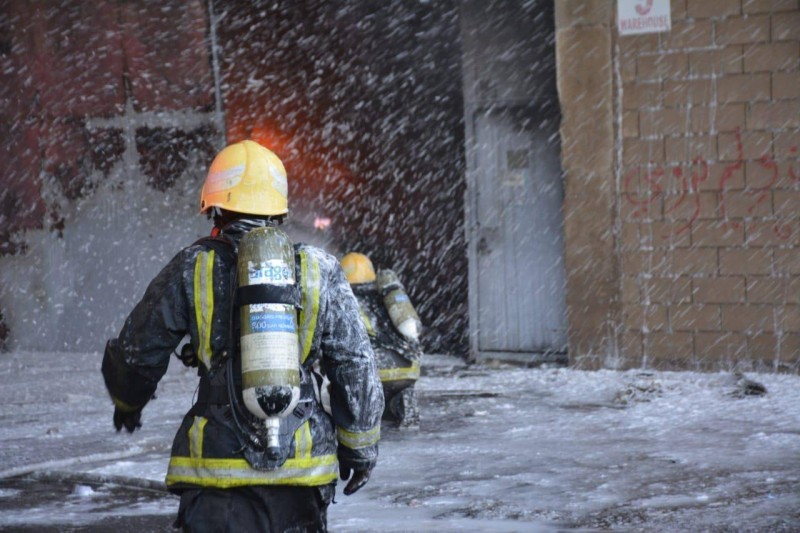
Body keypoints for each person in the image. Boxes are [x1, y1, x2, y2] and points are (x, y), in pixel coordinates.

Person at [102, 140, 384, 532]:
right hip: (301, 471)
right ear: (278, 209)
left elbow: (138, 349)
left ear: (215, 206)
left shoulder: (194, 266)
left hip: (217, 473)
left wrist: (128, 402)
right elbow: (355, 365)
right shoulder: (318, 269)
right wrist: (359, 448)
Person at [340, 252, 421, 428]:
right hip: (407, 367)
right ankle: (400, 402)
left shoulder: (344, 300)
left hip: (372, 370)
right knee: (393, 390)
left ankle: (362, 411)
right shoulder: (386, 297)